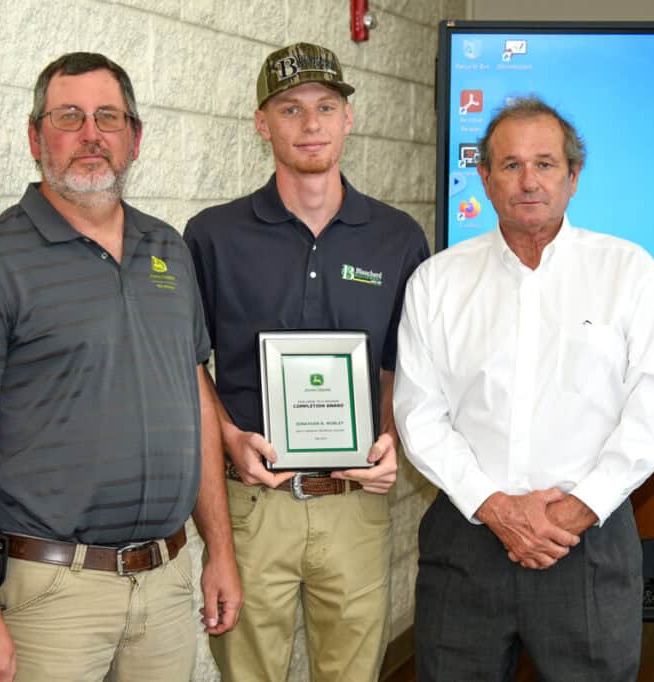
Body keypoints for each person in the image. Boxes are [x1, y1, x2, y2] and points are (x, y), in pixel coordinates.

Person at [0, 52, 241, 682]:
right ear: (35, 136)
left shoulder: (169, 250)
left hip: (168, 578)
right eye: (69, 116)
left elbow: (194, 403)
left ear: (135, 138)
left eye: (108, 117)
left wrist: (219, 554)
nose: (91, 134)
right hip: (54, 596)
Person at [393, 96, 654, 681]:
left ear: (573, 177)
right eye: (510, 165)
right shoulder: (437, 282)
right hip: (469, 538)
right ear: (484, 176)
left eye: (546, 164)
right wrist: (496, 507)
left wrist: (580, 508)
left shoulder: (629, 273)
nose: (529, 181)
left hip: (589, 543)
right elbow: (419, 413)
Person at [183, 43, 430, 681]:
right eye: (290, 109)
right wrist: (228, 436)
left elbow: (402, 364)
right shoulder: (213, 235)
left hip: (354, 503)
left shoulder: (397, 237)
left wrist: (389, 438)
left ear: (348, 118)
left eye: (326, 107)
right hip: (253, 505)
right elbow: (187, 362)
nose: (311, 123)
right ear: (263, 124)